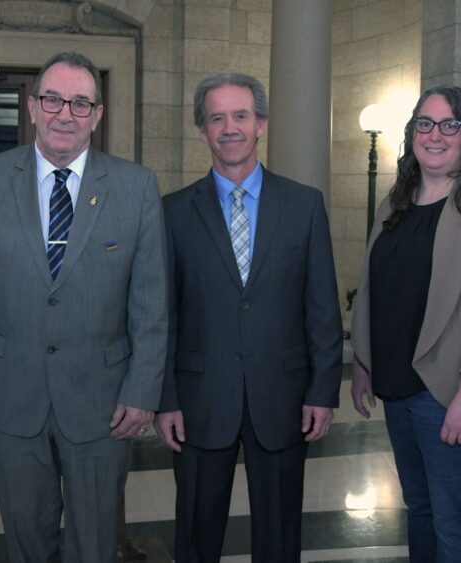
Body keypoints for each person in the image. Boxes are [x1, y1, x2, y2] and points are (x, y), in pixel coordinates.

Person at [0, 51, 167, 563]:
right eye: (52, 99)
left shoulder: (136, 188)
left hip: (103, 403)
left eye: (79, 102)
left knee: (96, 544)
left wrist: (142, 392)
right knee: (27, 541)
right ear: (31, 107)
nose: (63, 114)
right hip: (9, 398)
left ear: (97, 114)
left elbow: (151, 301)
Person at [156, 73, 343, 562]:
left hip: (282, 400)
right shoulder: (172, 213)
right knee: (196, 537)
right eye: (216, 118)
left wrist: (323, 392)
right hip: (197, 403)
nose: (229, 127)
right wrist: (165, 400)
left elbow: (321, 307)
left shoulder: (304, 206)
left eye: (241, 116)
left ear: (260, 123)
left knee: (279, 540)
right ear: (202, 131)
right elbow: (163, 315)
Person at [350, 85, 461, 562]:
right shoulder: (396, 203)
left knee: (454, 527)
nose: (435, 135)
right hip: (400, 390)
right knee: (421, 513)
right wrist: (364, 362)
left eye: (450, 125)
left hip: (449, 395)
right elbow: (376, 288)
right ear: (411, 135)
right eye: (424, 124)